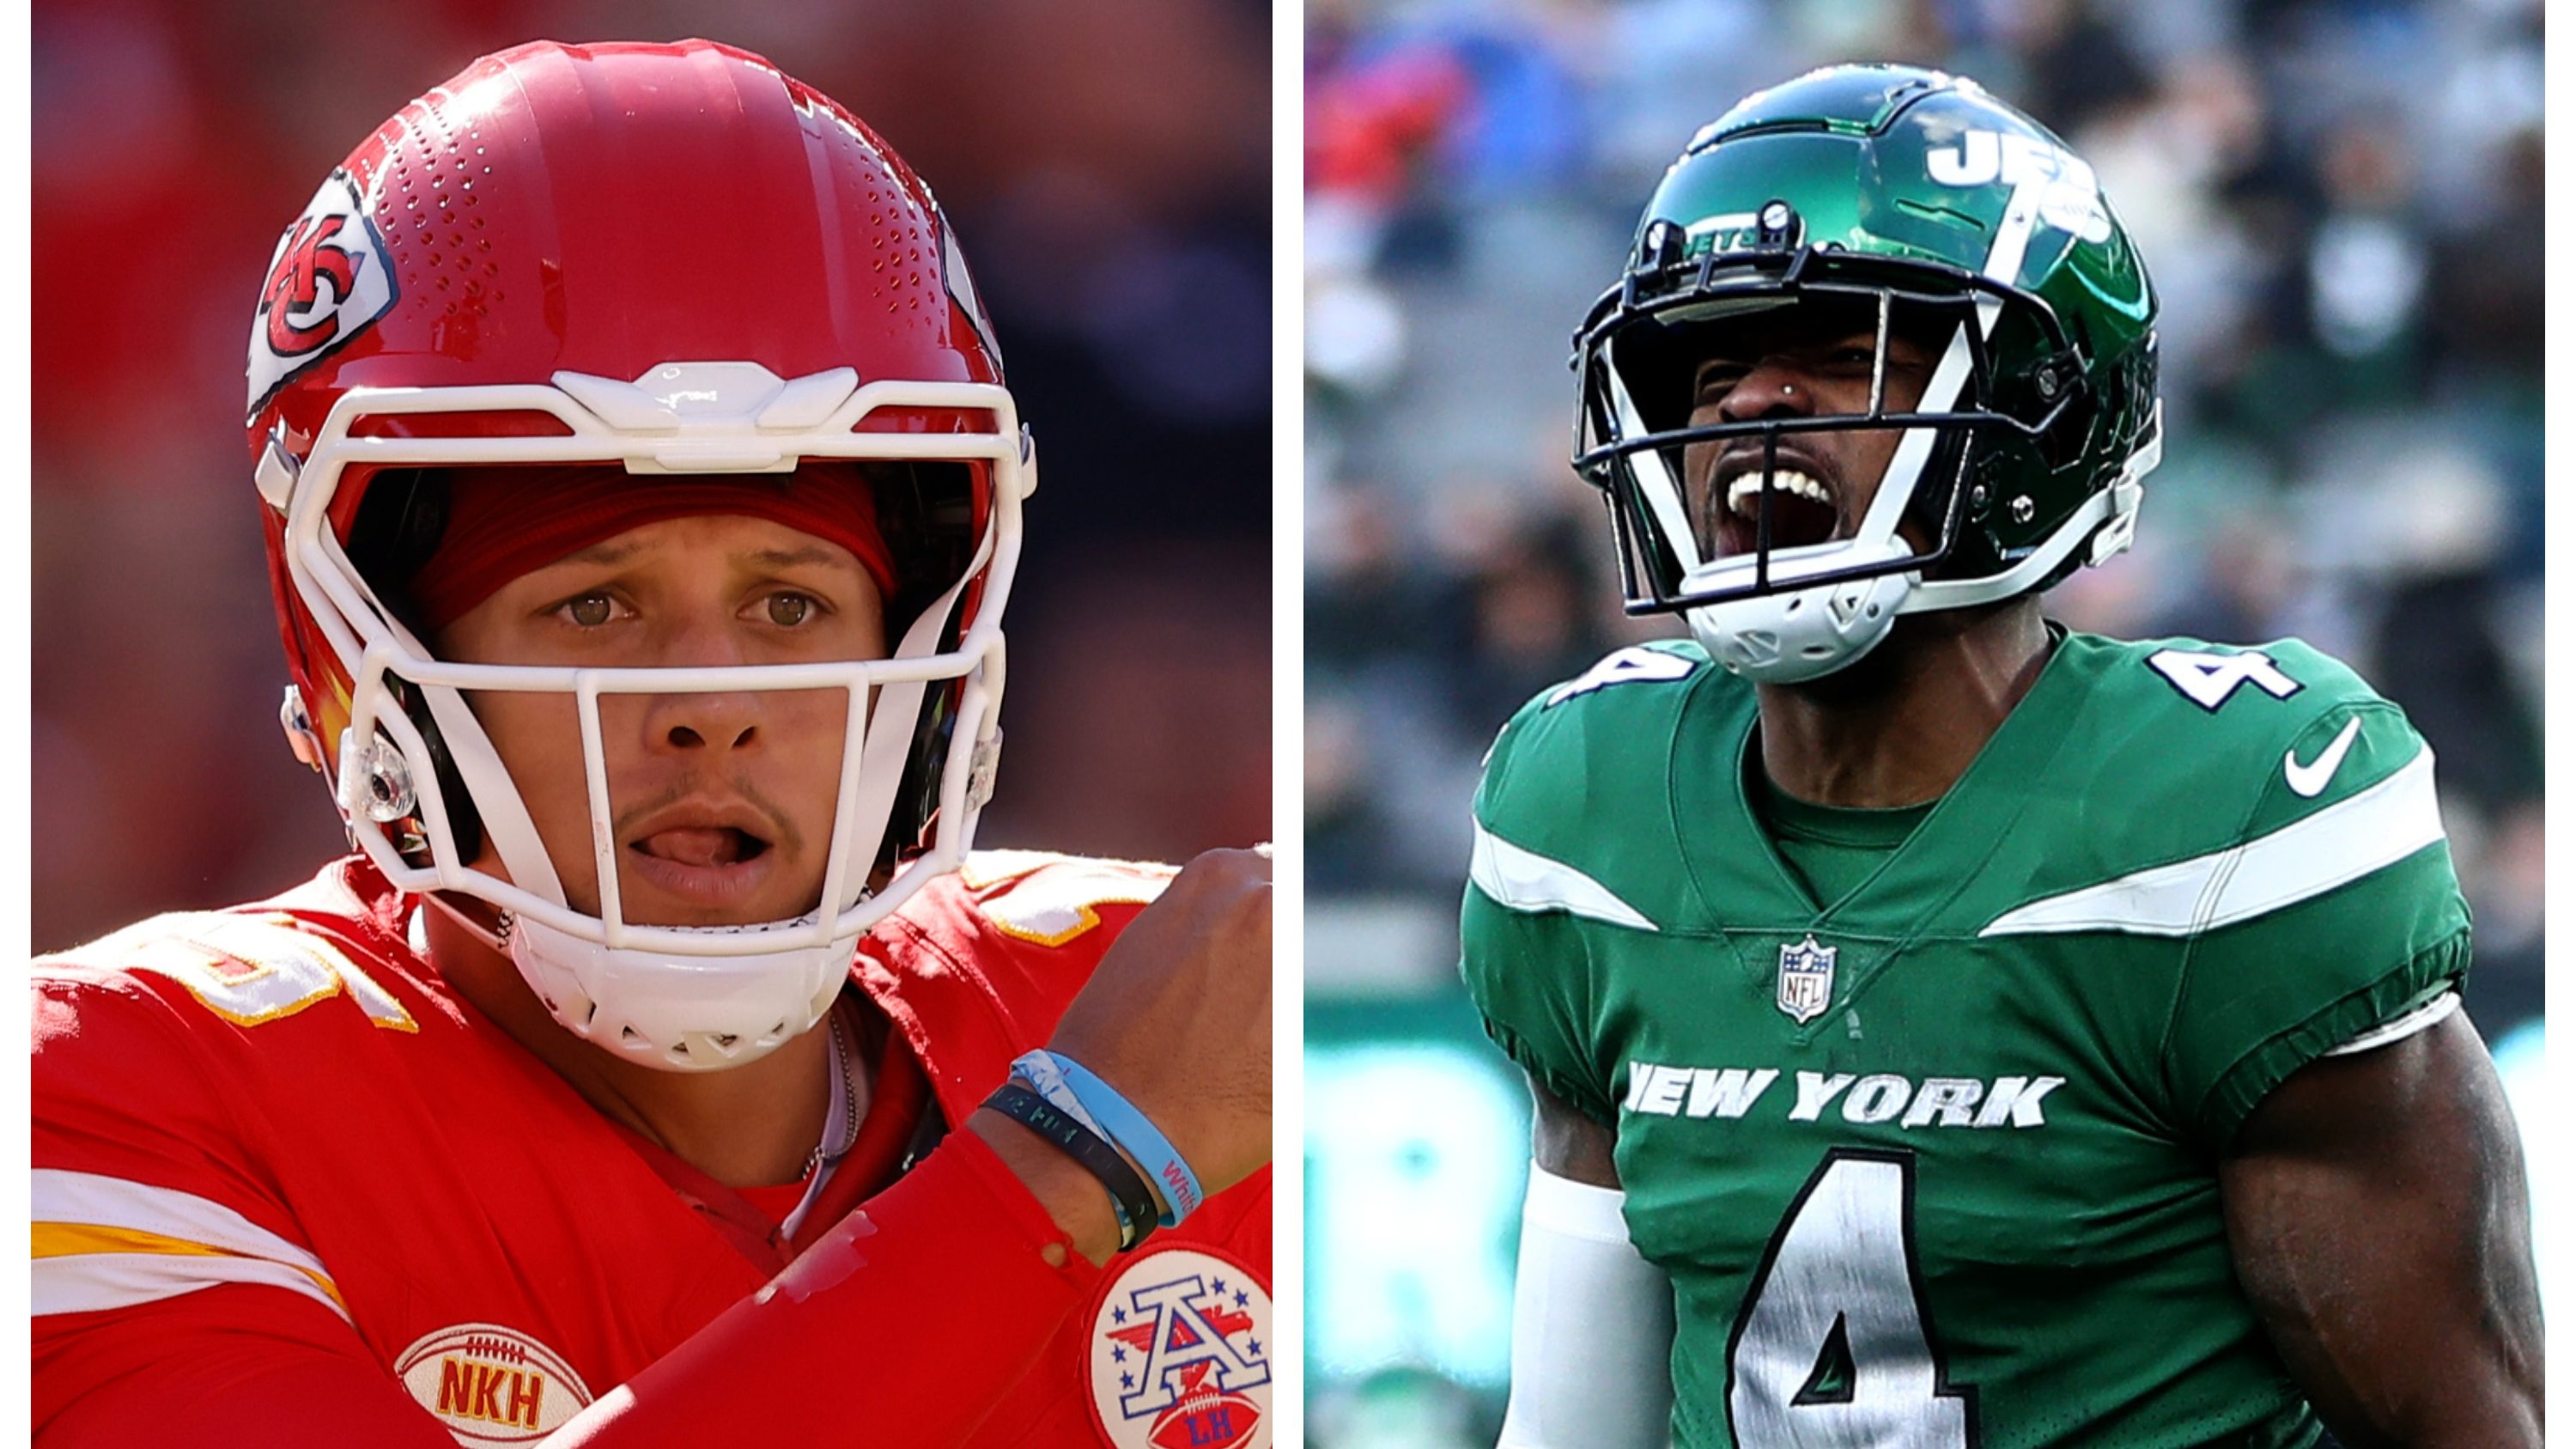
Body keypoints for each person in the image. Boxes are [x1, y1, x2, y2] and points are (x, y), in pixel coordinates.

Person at [32, 40, 1273, 1449]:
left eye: (789, 602)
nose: (710, 699)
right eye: (597, 603)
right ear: (379, 653)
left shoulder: (1174, 1002)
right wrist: (1065, 1171)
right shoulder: (122, 1091)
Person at [1462, 64, 2540, 1447]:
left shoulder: (2224, 820)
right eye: (1712, 365)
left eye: (1839, 355)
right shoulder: (1582, 803)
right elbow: (1574, 1432)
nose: (1745, 405)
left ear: (2040, 411)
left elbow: (2467, 1427)